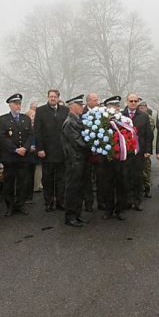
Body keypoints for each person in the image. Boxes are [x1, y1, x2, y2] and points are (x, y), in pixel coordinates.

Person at [0, 93, 33, 216]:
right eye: (16, 104)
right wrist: (15, 149)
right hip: (10, 157)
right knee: (9, 183)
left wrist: (25, 148)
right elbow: (2, 137)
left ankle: (20, 205)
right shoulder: (3, 119)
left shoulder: (26, 118)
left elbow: (30, 135)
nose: (18, 106)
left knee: (23, 182)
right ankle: (10, 206)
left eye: (19, 104)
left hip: (23, 156)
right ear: (10, 105)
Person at [34, 89, 69, 212]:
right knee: (48, 179)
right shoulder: (40, 111)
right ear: (48, 97)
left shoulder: (65, 110)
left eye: (55, 96)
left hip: (61, 151)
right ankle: (48, 203)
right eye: (50, 96)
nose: (52, 98)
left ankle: (60, 202)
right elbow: (37, 131)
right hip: (47, 152)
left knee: (61, 179)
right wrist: (40, 148)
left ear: (58, 98)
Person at [98, 96, 128, 221]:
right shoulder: (102, 120)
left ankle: (120, 209)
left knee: (121, 184)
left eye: (117, 105)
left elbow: (130, 136)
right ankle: (108, 209)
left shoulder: (125, 120)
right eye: (112, 106)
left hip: (121, 158)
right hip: (107, 159)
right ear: (107, 107)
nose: (115, 108)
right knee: (107, 184)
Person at [61, 95, 89, 227]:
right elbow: (79, 142)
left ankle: (77, 214)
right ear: (72, 106)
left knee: (79, 188)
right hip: (74, 160)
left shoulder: (77, 120)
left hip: (80, 160)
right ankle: (70, 216)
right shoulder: (70, 122)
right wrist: (93, 144)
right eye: (79, 104)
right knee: (72, 189)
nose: (82, 107)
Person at [122, 93, 153, 211]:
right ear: (127, 102)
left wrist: (148, 150)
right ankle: (128, 200)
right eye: (131, 101)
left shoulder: (144, 116)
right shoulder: (121, 115)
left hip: (139, 152)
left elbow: (148, 135)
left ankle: (137, 200)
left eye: (135, 101)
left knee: (138, 177)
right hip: (125, 153)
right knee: (126, 177)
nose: (133, 103)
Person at [83, 92, 101, 210]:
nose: (97, 102)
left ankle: (101, 202)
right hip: (85, 152)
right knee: (87, 179)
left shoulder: (101, 112)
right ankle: (88, 203)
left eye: (97, 100)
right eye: (95, 100)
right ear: (88, 101)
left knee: (100, 178)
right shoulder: (82, 113)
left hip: (99, 152)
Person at [138, 100, 155, 199]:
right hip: (137, 147)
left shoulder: (149, 118)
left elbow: (150, 131)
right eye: (140, 107)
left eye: (143, 107)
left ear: (146, 108)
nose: (141, 109)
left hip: (145, 147)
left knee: (146, 169)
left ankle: (147, 187)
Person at [24, 108, 39, 204]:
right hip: (26, 155)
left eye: (34, 116)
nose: (33, 118)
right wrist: (28, 147)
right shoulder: (25, 127)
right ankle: (24, 196)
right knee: (25, 177)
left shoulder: (37, 127)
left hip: (34, 155)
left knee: (31, 176)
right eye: (31, 116)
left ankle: (30, 196)